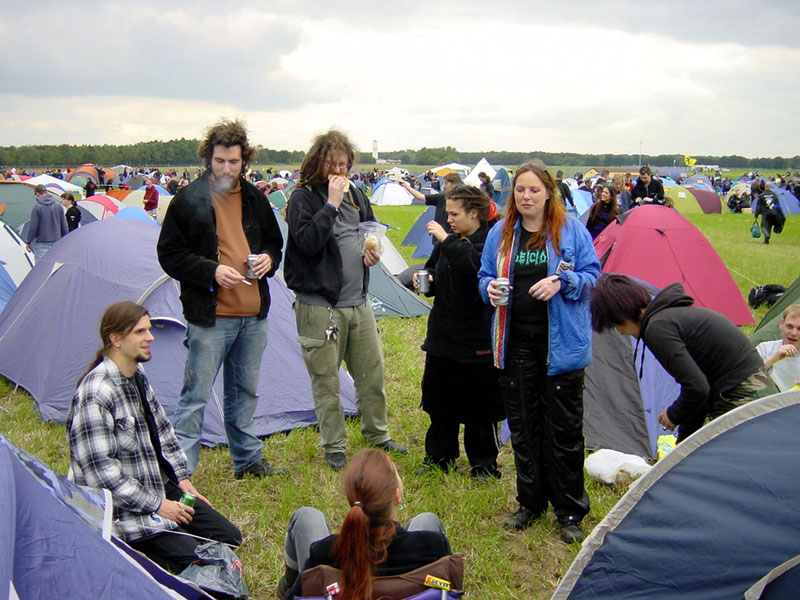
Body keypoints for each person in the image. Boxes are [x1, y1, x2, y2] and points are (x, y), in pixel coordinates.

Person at [67, 302, 242, 573]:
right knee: (203, 562)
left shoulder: (137, 374)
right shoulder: (96, 393)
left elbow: (163, 431)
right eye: (140, 332)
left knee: (229, 538)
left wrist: (183, 481)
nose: (151, 337)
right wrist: (159, 506)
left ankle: (170, 539)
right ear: (115, 339)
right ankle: (136, 552)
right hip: (120, 510)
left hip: (154, 483)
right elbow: (101, 475)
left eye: (148, 330)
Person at [157, 119, 287, 478]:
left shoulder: (255, 198)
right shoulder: (188, 200)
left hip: (253, 314)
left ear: (244, 160)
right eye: (219, 161)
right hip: (211, 317)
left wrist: (269, 259)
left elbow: (274, 243)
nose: (227, 168)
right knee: (195, 396)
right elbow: (169, 254)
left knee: (244, 392)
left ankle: (247, 460)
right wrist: (210, 271)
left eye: (233, 161)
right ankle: (181, 473)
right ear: (208, 159)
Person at [478, 162, 600, 543]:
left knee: (564, 432)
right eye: (520, 190)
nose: (526, 196)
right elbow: (484, 277)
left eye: (534, 190)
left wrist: (563, 281)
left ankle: (569, 511)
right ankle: (529, 504)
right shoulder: (501, 233)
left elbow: (593, 279)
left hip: (561, 348)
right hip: (515, 346)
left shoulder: (571, 231)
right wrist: (490, 290)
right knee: (526, 431)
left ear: (549, 192)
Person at [284, 129, 407, 471]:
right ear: (317, 163)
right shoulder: (303, 199)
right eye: (331, 164)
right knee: (327, 380)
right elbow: (307, 242)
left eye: (344, 165)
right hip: (320, 306)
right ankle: (334, 445)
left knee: (372, 373)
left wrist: (374, 251)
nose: (339, 172)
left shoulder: (357, 194)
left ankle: (377, 433)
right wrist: (331, 204)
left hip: (359, 301)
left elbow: (368, 230)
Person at [590, 274, 779, 443]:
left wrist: (673, 414)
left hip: (743, 394)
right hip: (751, 389)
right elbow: (698, 392)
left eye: (616, 325)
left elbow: (697, 388)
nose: (621, 332)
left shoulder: (657, 328)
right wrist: (683, 443)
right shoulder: (669, 318)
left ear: (626, 313)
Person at [414, 184, 504, 479]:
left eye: (454, 214)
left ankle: (484, 464)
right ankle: (439, 458)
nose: (448, 219)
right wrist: (425, 281)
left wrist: (445, 240)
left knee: (481, 409)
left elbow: (472, 267)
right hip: (443, 337)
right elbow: (436, 271)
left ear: (474, 214)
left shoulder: (489, 243)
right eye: (447, 214)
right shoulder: (448, 242)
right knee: (439, 402)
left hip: (476, 340)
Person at [278, 449, 452, 600]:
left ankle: (287, 583)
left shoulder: (323, 555)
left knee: (306, 516)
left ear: (352, 500)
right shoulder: (432, 546)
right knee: (428, 520)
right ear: (397, 495)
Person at [756, 304, 800, 391]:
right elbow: (747, 378)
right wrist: (772, 359)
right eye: (789, 327)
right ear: (781, 324)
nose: (794, 333)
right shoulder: (764, 349)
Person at [25, 184, 68, 260]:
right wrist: (65, 239)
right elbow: (64, 225)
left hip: (42, 241)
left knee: (41, 268)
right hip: (56, 241)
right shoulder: (58, 206)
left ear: (37, 193)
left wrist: (29, 241)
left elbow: (33, 227)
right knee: (54, 268)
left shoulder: (37, 207)